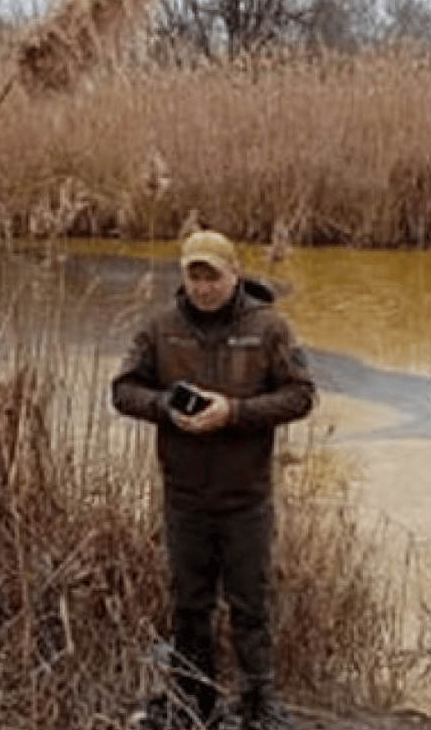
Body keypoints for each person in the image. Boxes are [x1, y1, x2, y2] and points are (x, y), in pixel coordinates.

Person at [114, 229, 317, 730]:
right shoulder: (161, 328)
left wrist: (234, 412)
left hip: (246, 496)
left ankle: (258, 704)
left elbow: (301, 396)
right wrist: (164, 404)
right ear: (183, 276)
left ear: (235, 275)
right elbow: (123, 390)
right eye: (194, 274)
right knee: (190, 605)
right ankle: (193, 699)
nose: (203, 286)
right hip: (184, 496)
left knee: (251, 604)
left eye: (213, 275)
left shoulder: (269, 328)